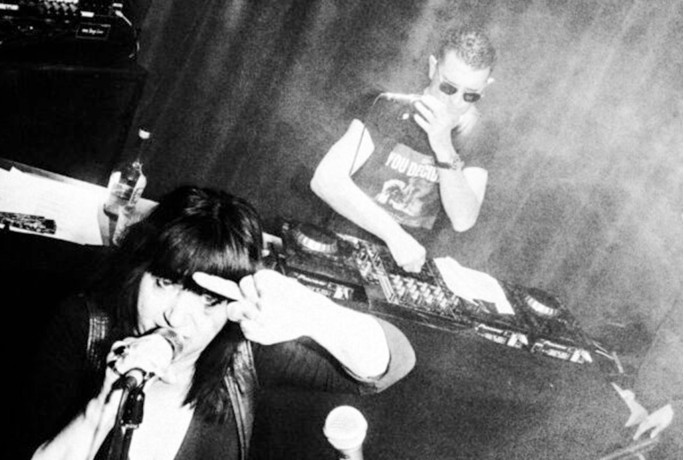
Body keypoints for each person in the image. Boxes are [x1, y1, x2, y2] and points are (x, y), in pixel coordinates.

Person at [26, 185, 416, 460]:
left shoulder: (244, 351)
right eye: (164, 283)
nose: (176, 316)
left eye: (209, 300)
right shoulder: (82, 328)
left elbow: (391, 363)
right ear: (139, 272)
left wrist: (314, 314)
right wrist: (104, 407)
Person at [311, 25, 498, 273]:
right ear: (433, 67)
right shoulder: (389, 106)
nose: (455, 101)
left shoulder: (479, 135)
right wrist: (394, 236)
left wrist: (444, 147)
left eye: (470, 95)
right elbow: (326, 180)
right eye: (448, 87)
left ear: (485, 87)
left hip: (408, 266)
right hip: (345, 247)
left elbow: (463, 220)